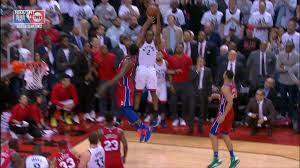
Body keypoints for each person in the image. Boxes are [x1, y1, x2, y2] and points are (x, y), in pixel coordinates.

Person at [99, 44, 153, 142]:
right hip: (122, 87)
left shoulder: (129, 61)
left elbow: (120, 75)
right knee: (125, 111)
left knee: (126, 109)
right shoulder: (129, 58)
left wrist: (106, 85)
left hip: (126, 87)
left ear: (128, 50)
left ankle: (144, 128)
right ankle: (141, 131)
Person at [134, 9, 162, 127]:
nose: (150, 35)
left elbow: (158, 31)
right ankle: (134, 116)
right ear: (146, 36)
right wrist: (148, 21)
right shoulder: (141, 43)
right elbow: (142, 31)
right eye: (148, 34)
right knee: (139, 93)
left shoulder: (155, 43)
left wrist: (158, 17)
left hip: (151, 69)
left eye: (152, 34)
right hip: (141, 69)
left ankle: (155, 114)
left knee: (153, 93)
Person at [208, 70, 240, 168]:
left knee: (212, 133)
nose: (223, 73)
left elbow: (230, 102)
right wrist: (218, 96)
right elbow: (233, 96)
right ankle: (233, 157)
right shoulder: (232, 85)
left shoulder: (225, 87)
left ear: (225, 75)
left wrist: (223, 116)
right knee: (224, 134)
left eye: (224, 72)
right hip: (229, 112)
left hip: (224, 113)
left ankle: (216, 159)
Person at [146, 51, 170, 128]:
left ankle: (162, 120)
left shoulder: (165, 63)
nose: (158, 55)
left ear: (163, 55)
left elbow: (167, 73)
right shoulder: (151, 64)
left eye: (160, 54)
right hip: (153, 86)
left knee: (163, 104)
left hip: (162, 85)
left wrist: (169, 83)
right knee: (151, 104)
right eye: (157, 54)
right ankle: (152, 119)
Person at [190, 57, 213, 134]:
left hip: (203, 92)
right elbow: (190, 79)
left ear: (204, 63)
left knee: (202, 111)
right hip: (193, 92)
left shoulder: (208, 71)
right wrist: (197, 71)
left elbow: (210, 83)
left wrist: (210, 94)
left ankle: (200, 127)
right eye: (198, 61)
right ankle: (191, 127)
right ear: (196, 63)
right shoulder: (193, 69)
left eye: (201, 62)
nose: (200, 63)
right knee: (192, 110)